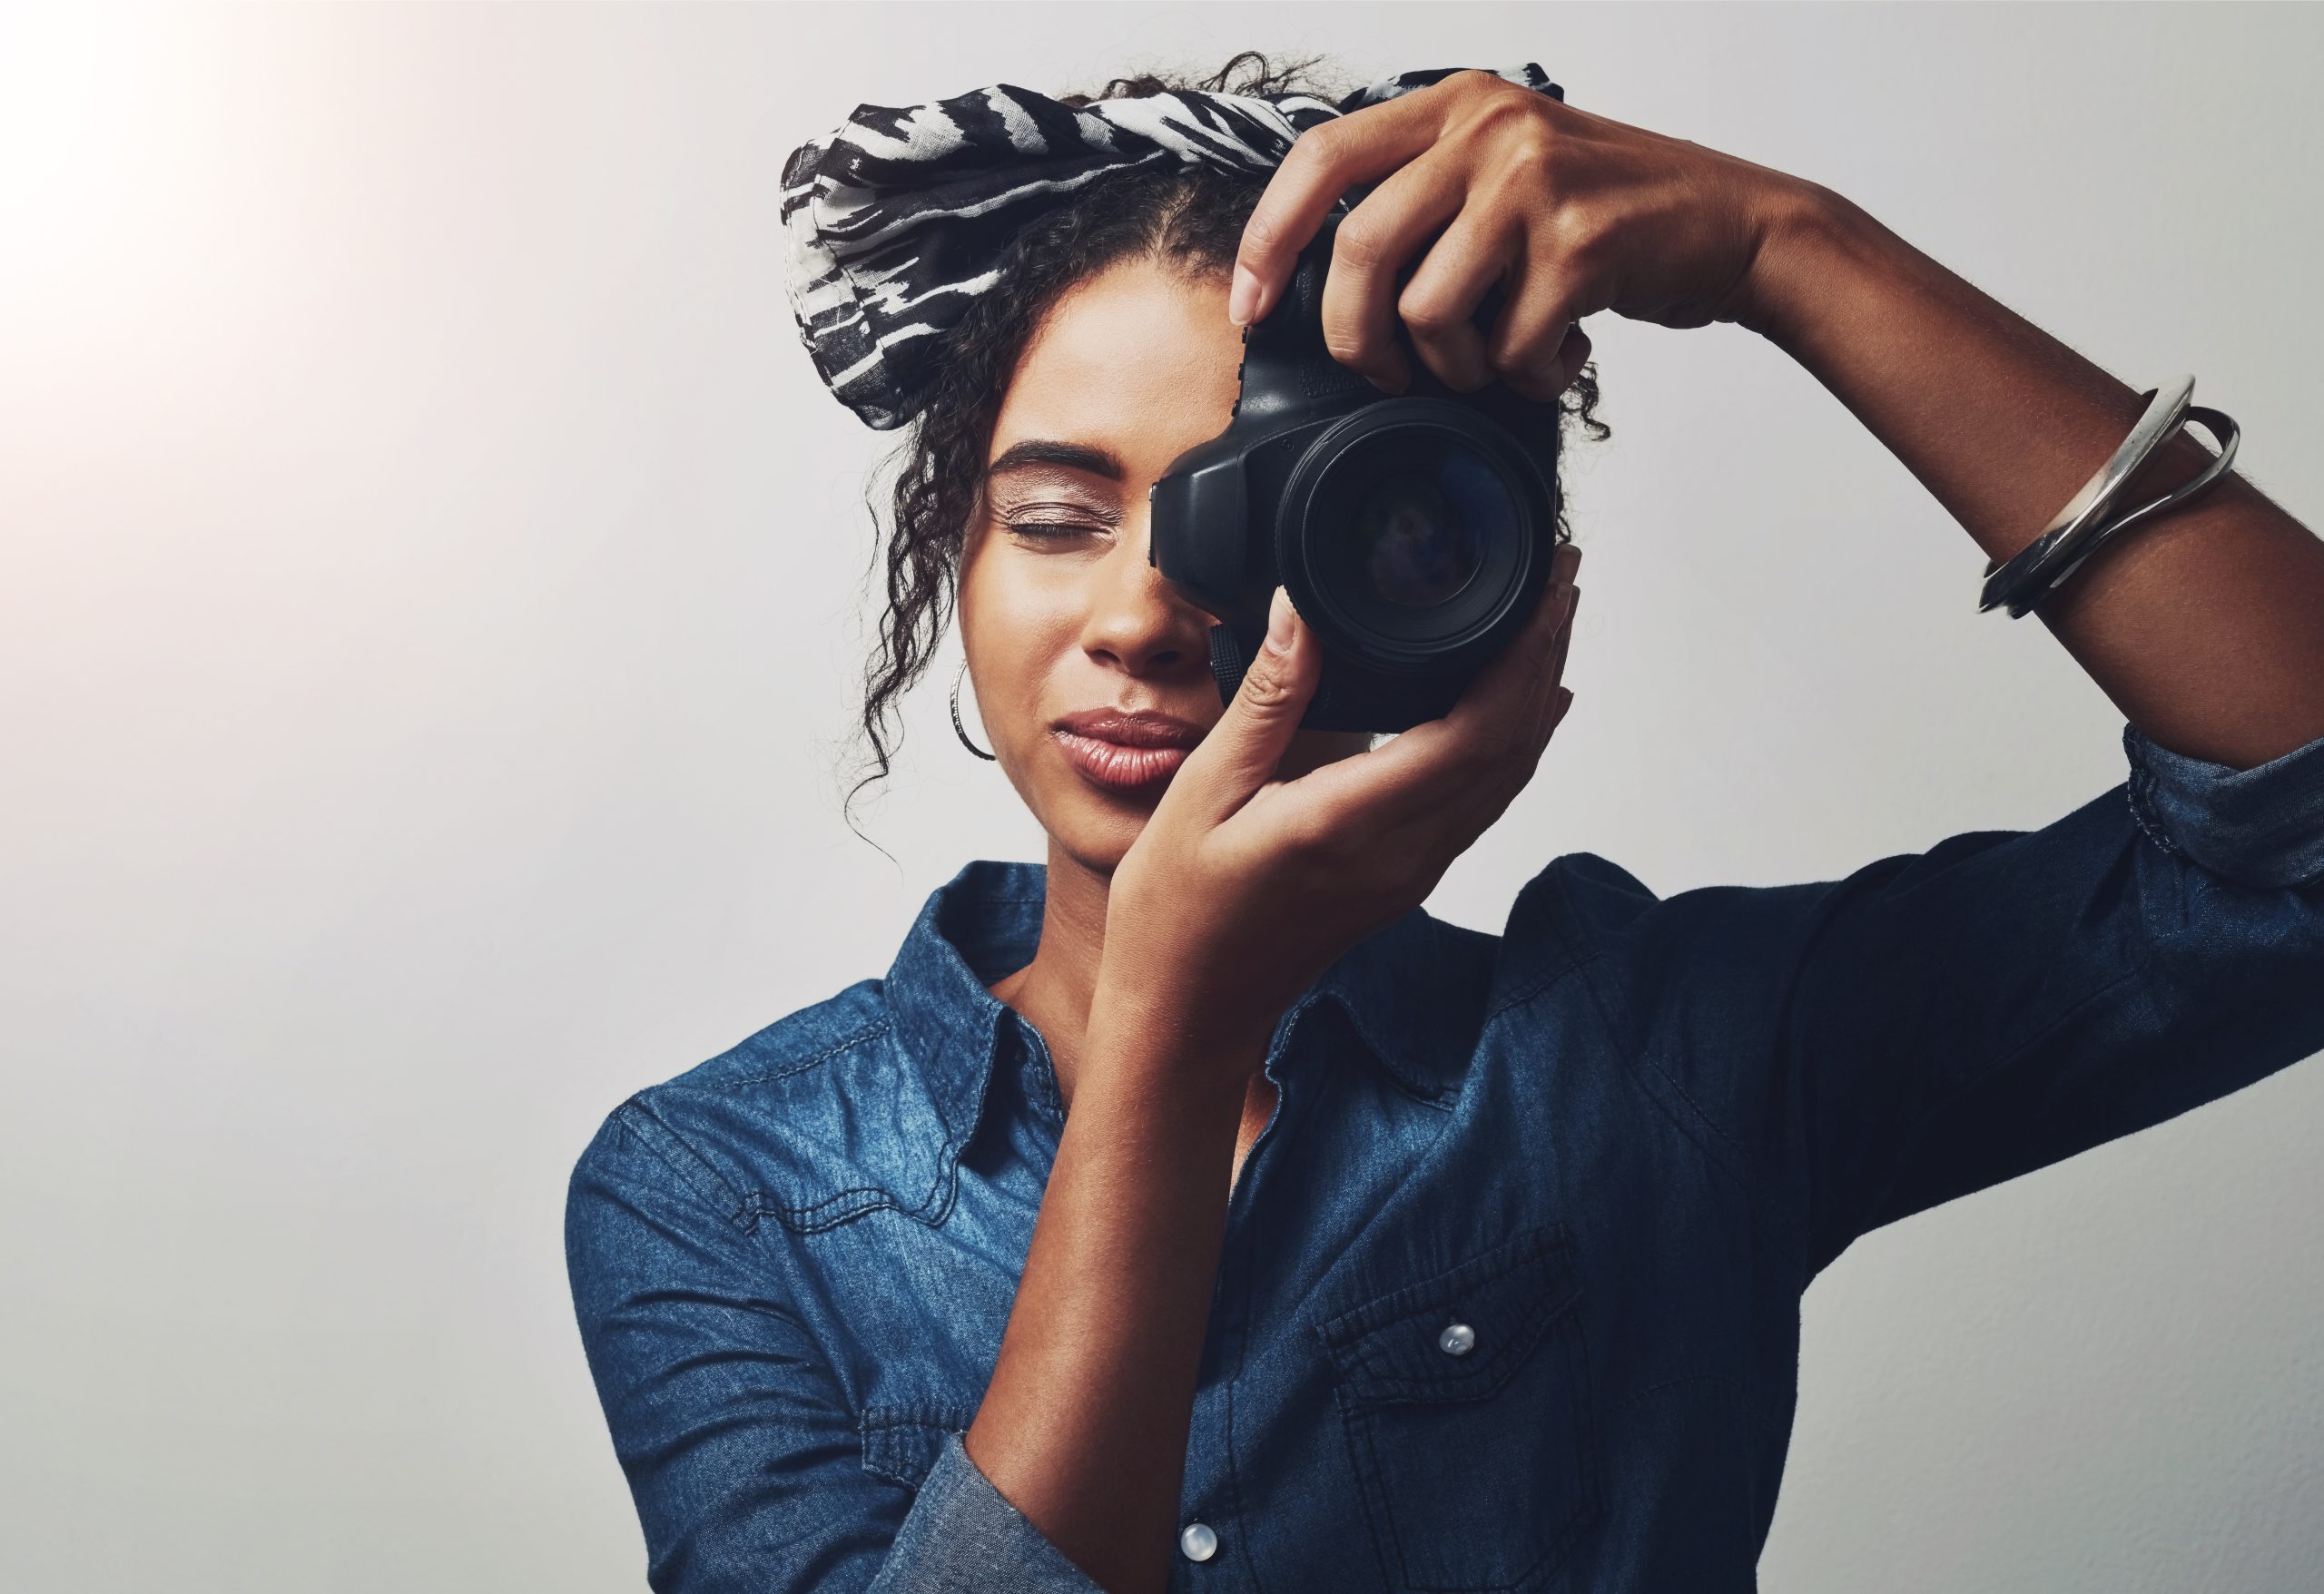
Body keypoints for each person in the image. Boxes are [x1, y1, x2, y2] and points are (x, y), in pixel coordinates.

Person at [564, 54, 2324, 1594]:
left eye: (1249, 526)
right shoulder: (721, 1186)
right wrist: (1173, 1035)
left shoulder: (1651, 1054)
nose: (1145, 616)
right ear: (952, 554)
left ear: (1445, 572)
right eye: (1053, 517)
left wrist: (1788, 248)